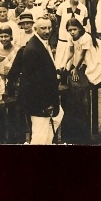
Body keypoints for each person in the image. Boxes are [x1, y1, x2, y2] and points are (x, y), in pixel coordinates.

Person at [63, 18, 101, 144]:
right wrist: (65, 62)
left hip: (92, 55)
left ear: (80, 28)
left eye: (74, 29)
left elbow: (82, 55)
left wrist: (75, 69)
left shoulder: (86, 37)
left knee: (94, 74)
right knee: (80, 73)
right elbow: (71, 51)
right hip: (83, 56)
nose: (72, 32)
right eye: (70, 30)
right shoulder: (71, 37)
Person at [18, 16, 64, 144]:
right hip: (39, 103)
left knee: (55, 121)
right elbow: (34, 82)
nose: (47, 31)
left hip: (45, 100)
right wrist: (46, 104)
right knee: (39, 138)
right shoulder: (33, 49)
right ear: (35, 29)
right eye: (43, 28)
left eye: (49, 28)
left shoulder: (42, 43)